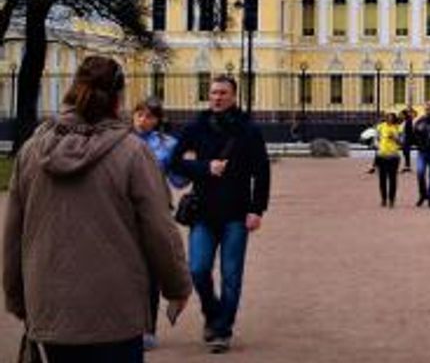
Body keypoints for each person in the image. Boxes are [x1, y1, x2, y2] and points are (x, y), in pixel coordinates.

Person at [3, 56, 191, 362]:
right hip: (116, 308)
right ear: (118, 98)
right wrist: (177, 285)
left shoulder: (32, 151)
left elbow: (13, 233)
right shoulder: (132, 153)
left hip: (51, 303)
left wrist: (16, 296)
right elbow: (159, 228)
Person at [172, 75, 270, 354]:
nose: (217, 97)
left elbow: (261, 172)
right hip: (203, 211)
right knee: (198, 269)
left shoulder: (248, 130)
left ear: (233, 96)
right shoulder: (195, 126)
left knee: (231, 275)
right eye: (214, 92)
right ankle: (213, 314)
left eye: (223, 93)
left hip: (236, 213)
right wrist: (205, 168)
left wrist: (257, 209)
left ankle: (222, 331)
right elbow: (175, 163)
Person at [132, 97, 189, 352]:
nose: (143, 121)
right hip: (125, 213)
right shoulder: (122, 141)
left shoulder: (167, 145)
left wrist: (186, 164)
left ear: (158, 119)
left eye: (149, 116)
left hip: (155, 211)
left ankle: (148, 329)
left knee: (152, 271)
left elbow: (178, 181)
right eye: (139, 115)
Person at [373, 112, 403, 207]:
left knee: (392, 179)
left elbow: (402, 142)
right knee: (382, 179)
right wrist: (377, 145)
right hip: (382, 155)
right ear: (385, 119)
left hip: (393, 156)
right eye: (388, 118)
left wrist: (395, 138)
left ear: (394, 119)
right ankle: (383, 199)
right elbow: (376, 138)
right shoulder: (380, 126)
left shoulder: (398, 127)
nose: (389, 120)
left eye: (391, 118)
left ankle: (392, 199)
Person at [400, 107, 415, 173]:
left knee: (406, 152)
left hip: (407, 138)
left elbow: (409, 130)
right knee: (405, 152)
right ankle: (407, 165)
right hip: (404, 137)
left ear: (404, 114)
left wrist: (408, 138)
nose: (401, 116)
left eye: (402, 114)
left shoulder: (408, 121)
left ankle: (407, 166)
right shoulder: (404, 121)